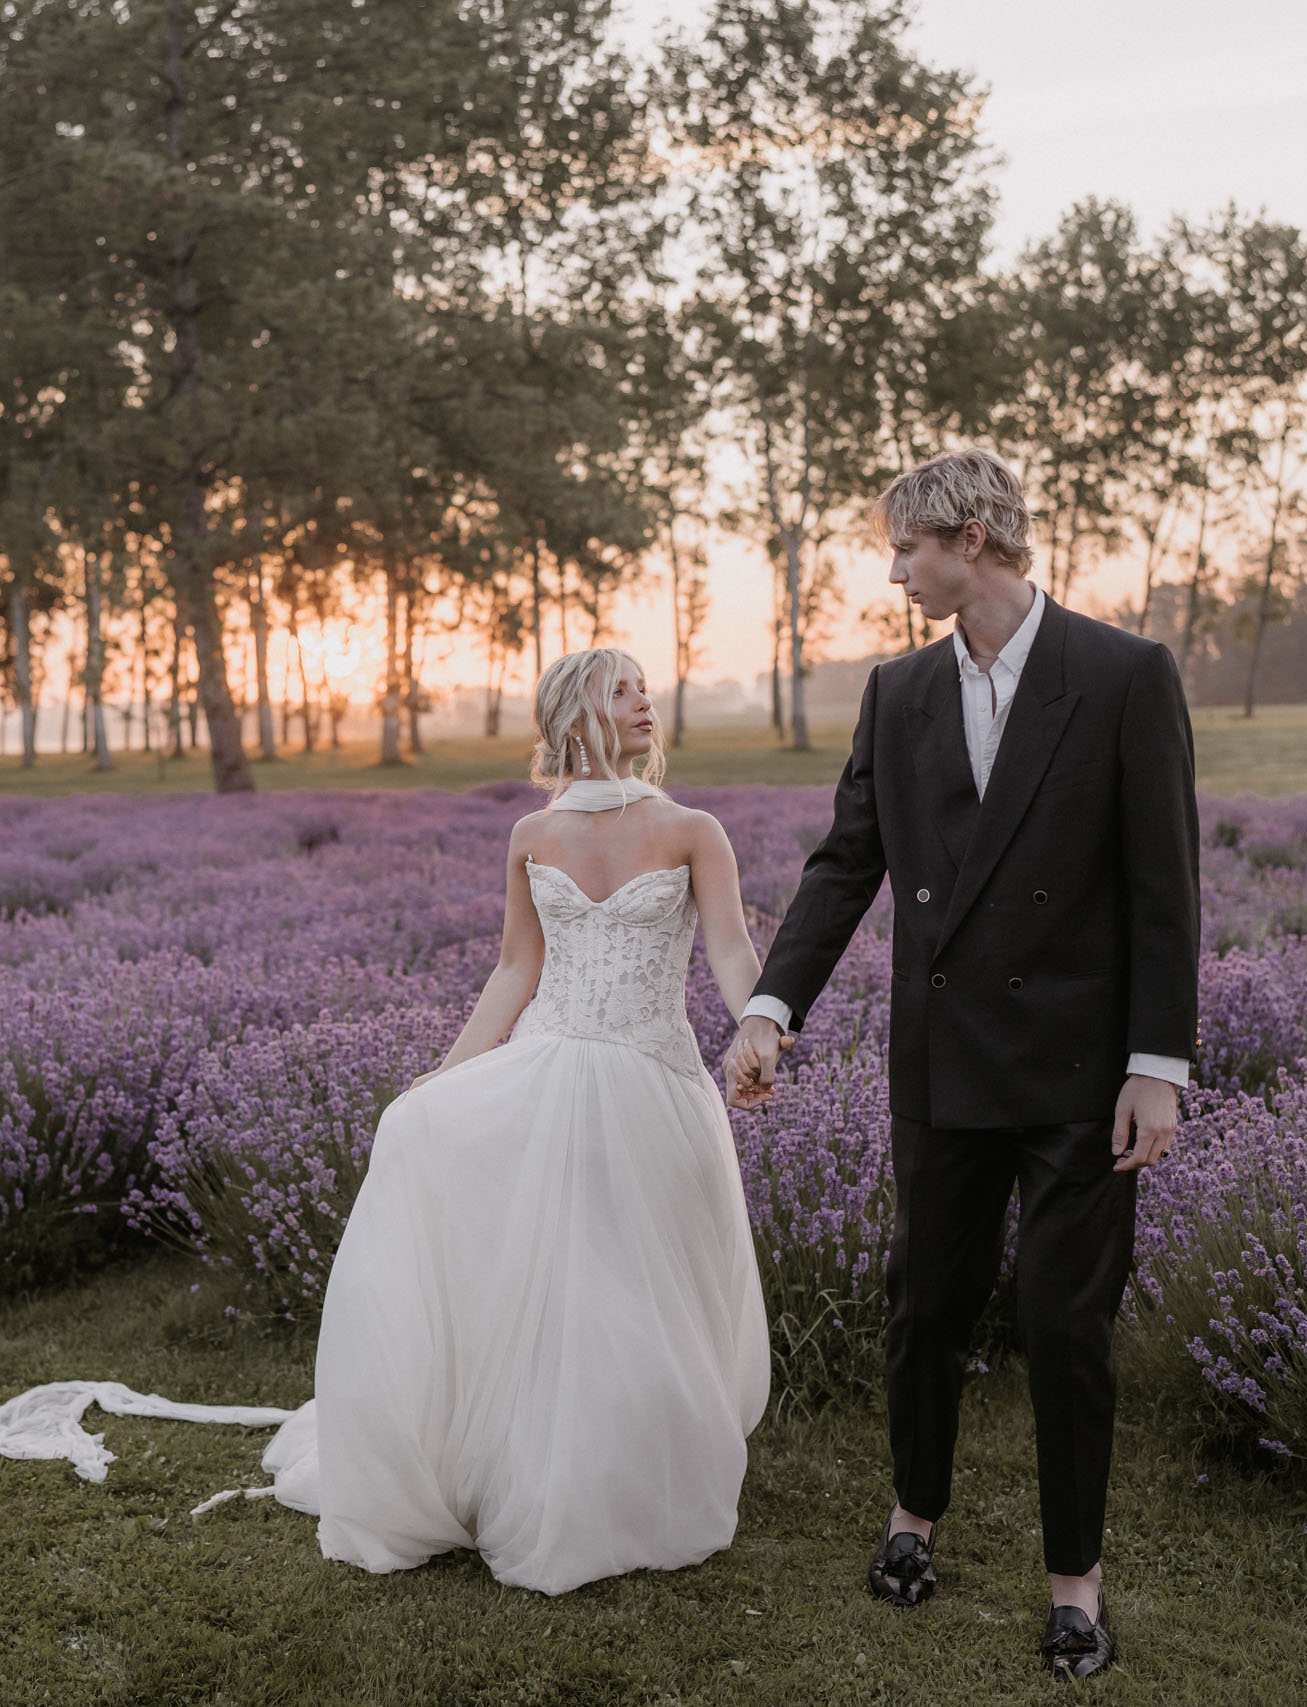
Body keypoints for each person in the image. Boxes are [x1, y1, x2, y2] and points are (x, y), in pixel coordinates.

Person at [722, 448, 1200, 1679]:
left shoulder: (1123, 675)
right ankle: (911, 1519)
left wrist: (1159, 1063)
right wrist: (772, 1007)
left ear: (975, 535)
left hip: (1083, 1071)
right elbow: (844, 866)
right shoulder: (897, 692)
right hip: (941, 1063)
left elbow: (1164, 887)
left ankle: (1075, 1586)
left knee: (1065, 1322)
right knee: (923, 1305)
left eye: (906, 548)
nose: (894, 571)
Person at [255, 648, 771, 1595]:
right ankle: (533, 1476)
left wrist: (759, 1026)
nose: (646, 702)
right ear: (579, 715)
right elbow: (514, 970)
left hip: (656, 1080)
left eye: (646, 689)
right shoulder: (531, 835)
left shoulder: (696, 829)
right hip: (550, 1065)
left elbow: (734, 951)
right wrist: (444, 1078)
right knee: (553, 1281)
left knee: (638, 1288)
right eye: (625, 691)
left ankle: (628, 1468)